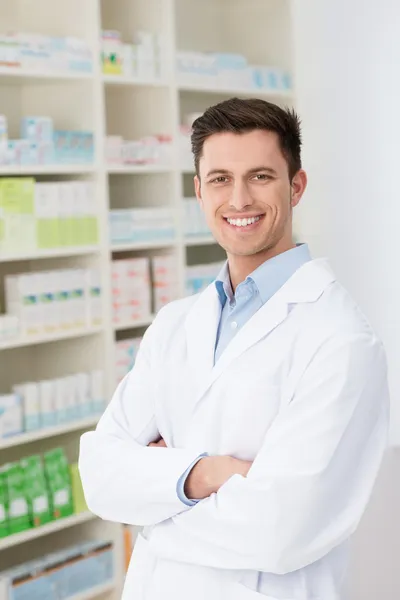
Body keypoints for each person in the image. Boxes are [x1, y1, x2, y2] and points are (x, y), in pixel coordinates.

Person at [79, 98, 389, 600]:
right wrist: (207, 475)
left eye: (261, 176)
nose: (239, 199)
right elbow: (99, 477)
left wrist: (153, 504)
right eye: (220, 178)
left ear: (296, 186)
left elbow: (281, 529)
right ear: (199, 192)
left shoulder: (342, 342)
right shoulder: (175, 324)